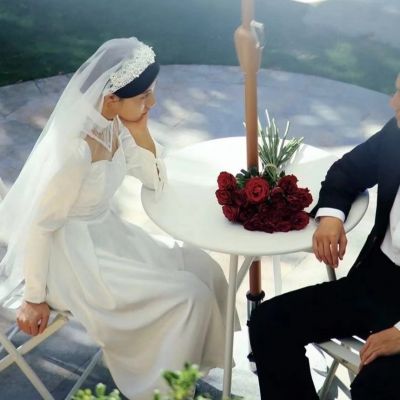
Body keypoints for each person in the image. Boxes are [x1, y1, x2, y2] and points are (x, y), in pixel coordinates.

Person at [0, 37, 233, 400]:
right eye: (143, 97)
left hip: (108, 236)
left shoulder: (115, 125)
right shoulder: (75, 152)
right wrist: (33, 298)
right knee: (188, 298)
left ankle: (184, 372)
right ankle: (163, 391)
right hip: (72, 259)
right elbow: (41, 226)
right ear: (111, 99)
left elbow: (154, 180)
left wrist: (141, 131)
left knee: (203, 267)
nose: (151, 104)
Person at [249, 74, 400, 400]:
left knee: (374, 388)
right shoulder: (396, 133)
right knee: (269, 323)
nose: (393, 102)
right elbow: (347, 171)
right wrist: (331, 218)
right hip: (376, 283)